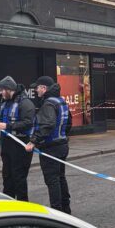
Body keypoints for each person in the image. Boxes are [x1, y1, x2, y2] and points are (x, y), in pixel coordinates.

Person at [26, 76, 72, 214]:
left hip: (51, 147)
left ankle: (57, 212)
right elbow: (69, 122)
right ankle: (66, 209)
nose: (36, 90)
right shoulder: (60, 101)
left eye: (38, 87)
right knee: (60, 178)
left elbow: (47, 125)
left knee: (52, 180)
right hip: (62, 145)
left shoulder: (48, 104)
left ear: (44, 88)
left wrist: (33, 141)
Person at [0, 76, 36, 202]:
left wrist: (7, 126)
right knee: (7, 177)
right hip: (7, 144)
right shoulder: (4, 102)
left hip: (21, 144)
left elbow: (28, 123)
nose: (0, 92)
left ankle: (23, 207)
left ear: (9, 89)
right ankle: (9, 205)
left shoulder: (25, 103)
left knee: (19, 178)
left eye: (2, 90)